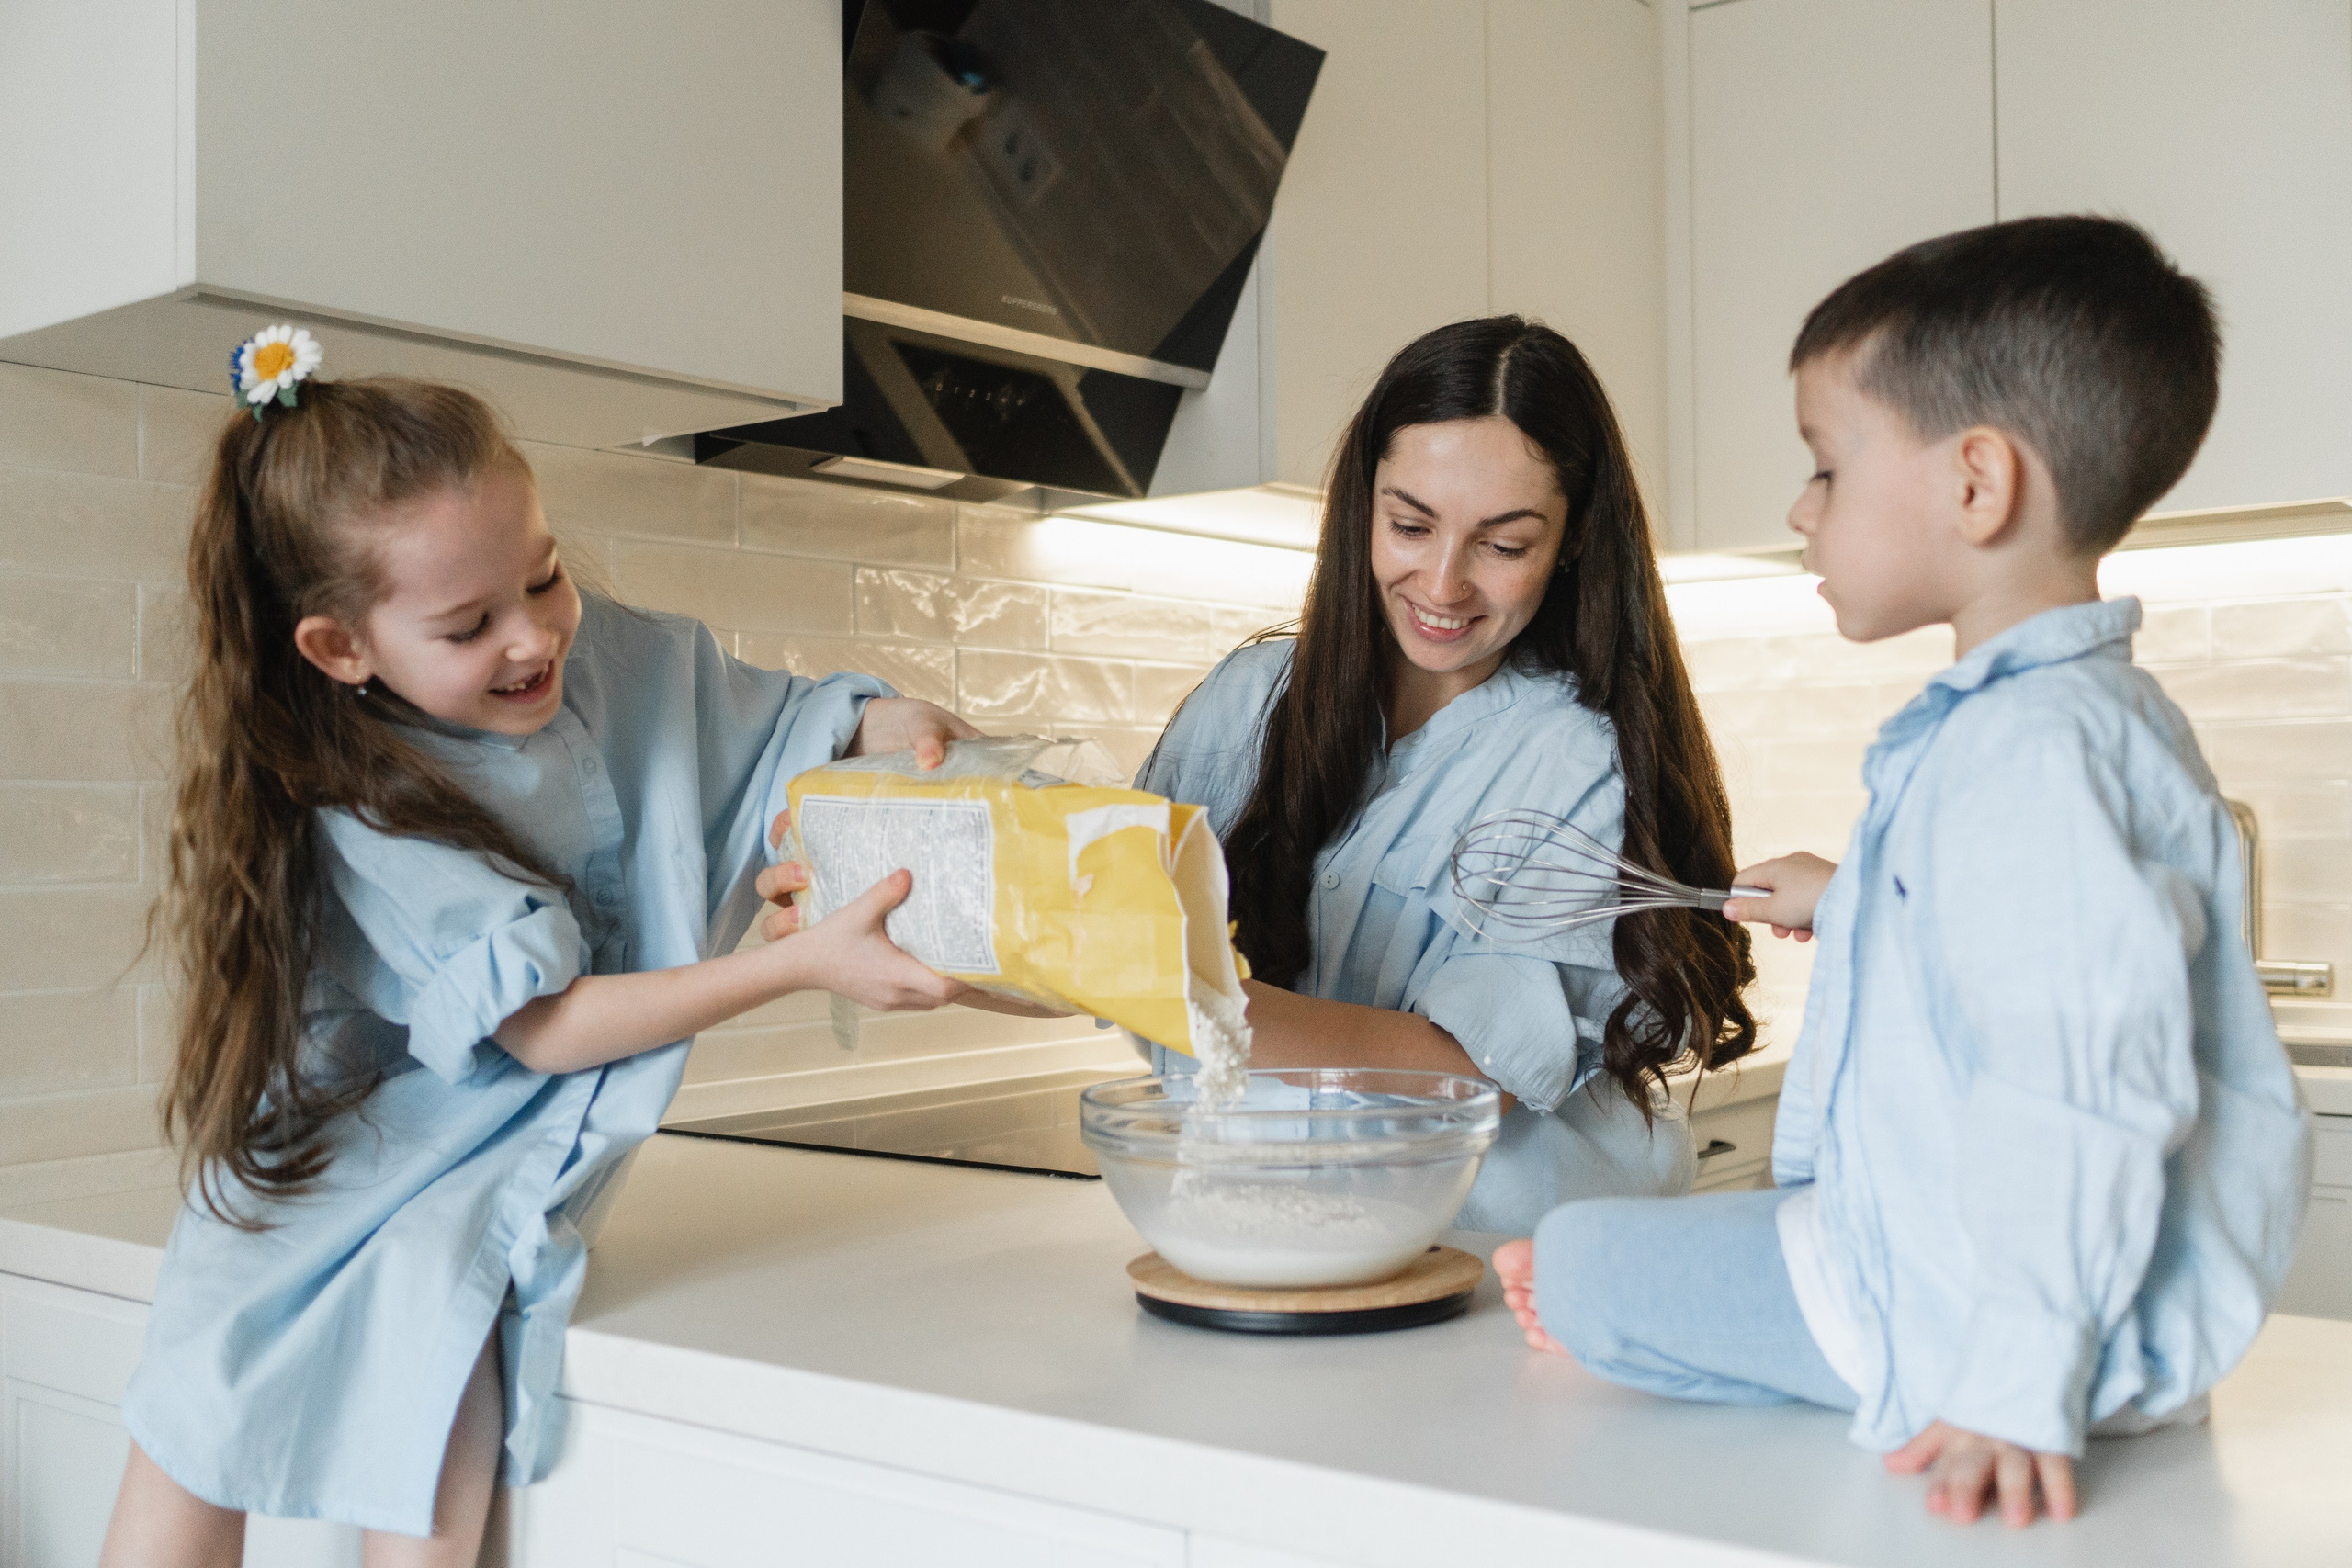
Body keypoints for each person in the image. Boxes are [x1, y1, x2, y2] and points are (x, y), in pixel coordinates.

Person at [1496, 217, 2313, 1528]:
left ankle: (1906, 1344)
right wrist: (1851, 895)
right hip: (1982, 1271)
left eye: (1827, 465)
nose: (1799, 507)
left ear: (1977, 483)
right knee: (1628, 1241)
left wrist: (2016, 1383)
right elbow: (2006, 940)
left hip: (1980, 1322)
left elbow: (2079, 1081)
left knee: (1579, 1263)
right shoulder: (2073, 718)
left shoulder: (2024, 752)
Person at [102, 357, 978, 1566]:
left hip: (489, 1174)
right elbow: (547, 1025)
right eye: (469, 626)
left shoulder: (605, 654)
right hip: (338, 1169)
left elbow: (779, 721)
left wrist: (881, 721)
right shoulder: (361, 797)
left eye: (545, 574)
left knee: (444, 1363)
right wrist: (799, 966)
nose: (533, 635)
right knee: (199, 1409)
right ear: (341, 646)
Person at [1132, 316, 1759, 1234]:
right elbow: (1086, 913)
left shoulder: (1582, 760)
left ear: (1573, 537)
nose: (1441, 583)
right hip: (1284, 1241)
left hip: (1510, 1263)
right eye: (1409, 525)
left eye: (1502, 546)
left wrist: (1168, 986)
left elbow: (1467, 1073)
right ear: (1364, 505)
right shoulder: (1249, 699)